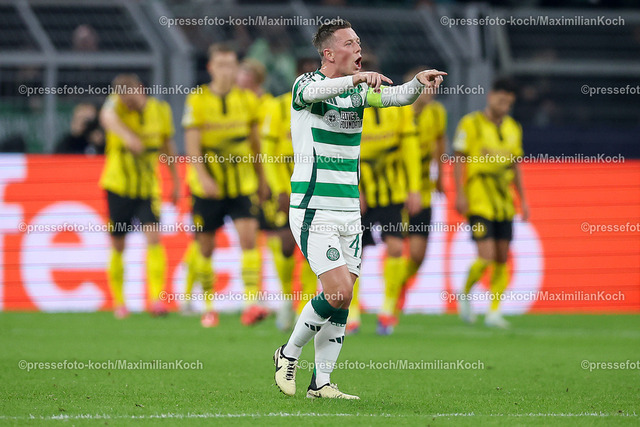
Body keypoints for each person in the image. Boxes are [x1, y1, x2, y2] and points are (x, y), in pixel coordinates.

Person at [272, 19, 445, 399]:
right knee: (335, 292)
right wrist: (355, 79)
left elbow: (397, 97)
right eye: (350, 43)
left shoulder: (358, 93)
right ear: (329, 53)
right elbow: (318, 90)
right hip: (314, 206)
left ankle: (321, 383)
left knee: (344, 296)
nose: (358, 48)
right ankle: (288, 353)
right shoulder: (305, 86)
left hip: (350, 210)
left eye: (359, 42)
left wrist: (418, 83)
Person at [181, 43, 270, 328]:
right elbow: (192, 145)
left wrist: (262, 179)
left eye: (231, 65)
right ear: (210, 68)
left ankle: (251, 303)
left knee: (249, 238)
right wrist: (203, 177)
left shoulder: (247, 100)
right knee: (206, 246)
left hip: (242, 183)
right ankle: (208, 306)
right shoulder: (198, 99)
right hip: (207, 187)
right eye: (221, 65)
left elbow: (255, 144)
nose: (226, 71)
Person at [346, 54, 422, 336]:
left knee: (396, 247)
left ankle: (388, 309)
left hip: (392, 190)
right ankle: (352, 311)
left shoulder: (397, 105)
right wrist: (353, 188)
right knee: (355, 251)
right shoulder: (346, 105)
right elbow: (342, 152)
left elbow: (410, 150)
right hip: (360, 191)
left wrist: (414, 188)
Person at [99, 73, 180, 319]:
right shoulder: (116, 108)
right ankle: (119, 303)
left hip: (147, 188)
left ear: (141, 89)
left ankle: (156, 300)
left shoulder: (160, 110)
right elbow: (106, 116)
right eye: (123, 99)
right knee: (118, 244)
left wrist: (176, 181)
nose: (128, 104)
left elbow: (167, 146)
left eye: (131, 98)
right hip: (118, 186)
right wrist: (127, 136)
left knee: (154, 238)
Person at [453, 78, 529, 329]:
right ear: (491, 96)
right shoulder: (470, 123)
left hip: (504, 202)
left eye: (509, 103)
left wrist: (523, 200)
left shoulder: (513, 128)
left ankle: (494, 312)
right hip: (478, 201)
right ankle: (465, 292)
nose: (504, 106)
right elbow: (458, 158)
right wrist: (460, 193)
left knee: (502, 257)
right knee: (485, 257)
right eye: (501, 100)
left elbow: (515, 166)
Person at [261, 58, 320, 331]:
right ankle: (286, 299)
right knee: (286, 244)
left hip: (317, 189)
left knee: (312, 249)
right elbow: (268, 153)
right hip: (286, 189)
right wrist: (279, 189)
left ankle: (304, 306)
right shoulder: (277, 106)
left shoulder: (326, 106)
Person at [393, 66, 448, 321]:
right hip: (397, 191)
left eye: (432, 87)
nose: (430, 92)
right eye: (425, 87)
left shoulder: (437, 113)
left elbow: (440, 141)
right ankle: (388, 299)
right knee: (394, 246)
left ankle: (398, 286)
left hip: (423, 191)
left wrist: (440, 176)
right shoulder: (396, 112)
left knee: (418, 255)